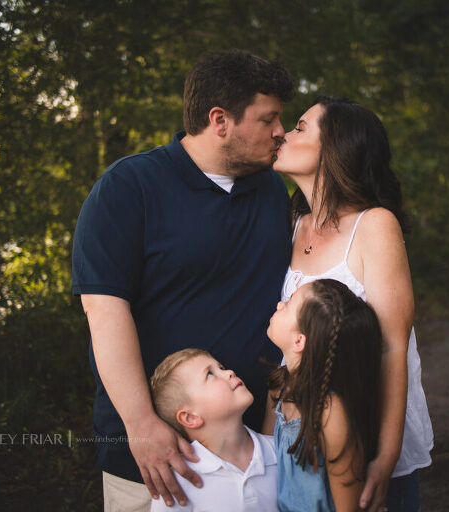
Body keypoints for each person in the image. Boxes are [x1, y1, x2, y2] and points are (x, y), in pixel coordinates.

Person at [71, 50, 293, 511]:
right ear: (220, 120)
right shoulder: (129, 187)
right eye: (269, 118)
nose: (280, 132)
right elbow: (104, 310)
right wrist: (140, 425)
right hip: (158, 455)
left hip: (256, 449)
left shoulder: (272, 190)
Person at [271, 96, 434, 512]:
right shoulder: (293, 225)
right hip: (304, 444)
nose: (283, 134)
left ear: (337, 147)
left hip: (362, 438)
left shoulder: (374, 224)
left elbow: (393, 345)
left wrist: (385, 454)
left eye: (300, 127)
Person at [265, 279, 383, 512]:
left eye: (288, 305)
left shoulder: (329, 412)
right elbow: (268, 456)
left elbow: (348, 507)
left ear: (299, 341)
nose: (279, 304)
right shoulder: (279, 386)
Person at [148, 349, 278, 511]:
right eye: (209, 374)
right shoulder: (179, 482)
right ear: (190, 418)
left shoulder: (282, 452)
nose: (230, 372)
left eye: (221, 368)